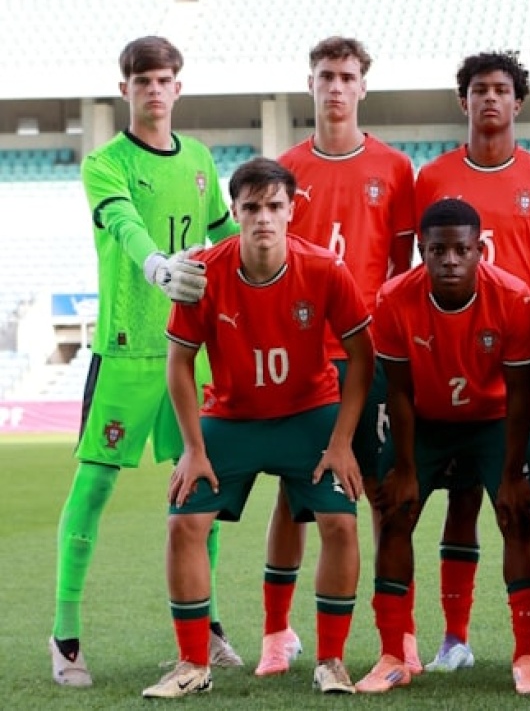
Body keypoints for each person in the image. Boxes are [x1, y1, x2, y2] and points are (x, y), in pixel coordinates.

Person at [51, 35, 241, 688]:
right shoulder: (104, 162)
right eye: (143, 80)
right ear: (125, 89)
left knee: (201, 486)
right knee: (94, 486)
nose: (154, 90)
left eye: (164, 79)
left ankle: (205, 626)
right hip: (127, 350)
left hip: (189, 351)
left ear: (178, 88)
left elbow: (225, 235)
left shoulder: (200, 159)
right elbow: (124, 224)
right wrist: (157, 264)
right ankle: (65, 633)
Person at [143, 157, 372, 698]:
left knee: (341, 523)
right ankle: (192, 665)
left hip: (309, 415)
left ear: (292, 210)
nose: (263, 217)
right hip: (232, 417)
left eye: (274, 206)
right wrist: (193, 448)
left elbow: (363, 357)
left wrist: (342, 442)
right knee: (183, 521)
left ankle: (332, 662)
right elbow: (178, 363)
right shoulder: (204, 273)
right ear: (235, 212)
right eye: (251, 207)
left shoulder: (325, 268)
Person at [257, 36, 417, 678]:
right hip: (301, 356)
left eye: (347, 76)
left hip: (365, 355)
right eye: (326, 76)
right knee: (291, 496)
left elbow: (400, 267)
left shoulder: (395, 169)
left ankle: (397, 636)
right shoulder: (285, 169)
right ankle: (276, 633)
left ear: (363, 87)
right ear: (311, 84)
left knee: (379, 493)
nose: (336, 87)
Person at [412, 50, 530, 674]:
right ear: (464, 100)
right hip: (450, 363)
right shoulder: (432, 178)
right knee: (459, 504)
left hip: (520, 368)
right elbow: (424, 272)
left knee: (524, 504)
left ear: (518, 102)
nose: (489, 98)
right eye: (478, 89)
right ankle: (453, 640)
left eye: (501, 89)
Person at [361, 198, 530, 695]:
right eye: (437, 250)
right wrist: (405, 467)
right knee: (394, 513)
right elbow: (399, 391)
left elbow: (521, 395)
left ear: (479, 250)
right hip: (426, 421)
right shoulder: (394, 298)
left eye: (461, 250)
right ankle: (392, 656)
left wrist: (513, 473)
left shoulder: (514, 298)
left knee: (518, 516)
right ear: (421, 250)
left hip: (494, 421)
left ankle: (526, 656)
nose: (449, 260)